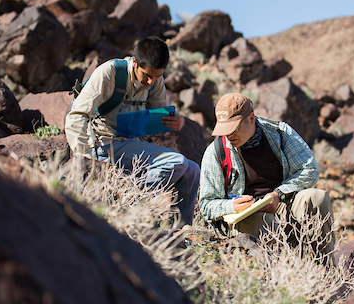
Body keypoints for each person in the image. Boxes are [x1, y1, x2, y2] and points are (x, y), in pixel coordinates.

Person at [65, 36, 200, 226]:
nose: (151, 82)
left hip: (128, 144)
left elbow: (162, 114)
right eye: (147, 75)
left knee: (192, 170)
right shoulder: (109, 73)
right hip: (101, 144)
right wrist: (83, 159)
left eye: (157, 77)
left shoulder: (155, 81)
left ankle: (179, 232)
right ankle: (130, 204)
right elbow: (76, 115)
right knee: (176, 163)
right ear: (135, 62)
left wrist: (177, 121)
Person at [199, 93, 335, 255]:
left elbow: (309, 170)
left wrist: (279, 194)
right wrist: (232, 206)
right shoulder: (216, 152)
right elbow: (206, 205)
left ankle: (326, 268)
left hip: (283, 202)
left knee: (318, 198)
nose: (229, 135)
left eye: (234, 129)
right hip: (244, 218)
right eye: (224, 129)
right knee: (275, 227)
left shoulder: (279, 133)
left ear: (251, 118)